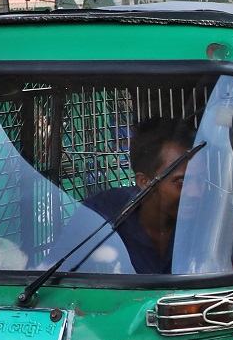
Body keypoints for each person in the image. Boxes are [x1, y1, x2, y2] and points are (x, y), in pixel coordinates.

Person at [82, 116, 196, 274]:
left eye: (201, 178)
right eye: (182, 181)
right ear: (144, 182)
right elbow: (58, 277)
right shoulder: (100, 215)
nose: (197, 191)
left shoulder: (214, 219)